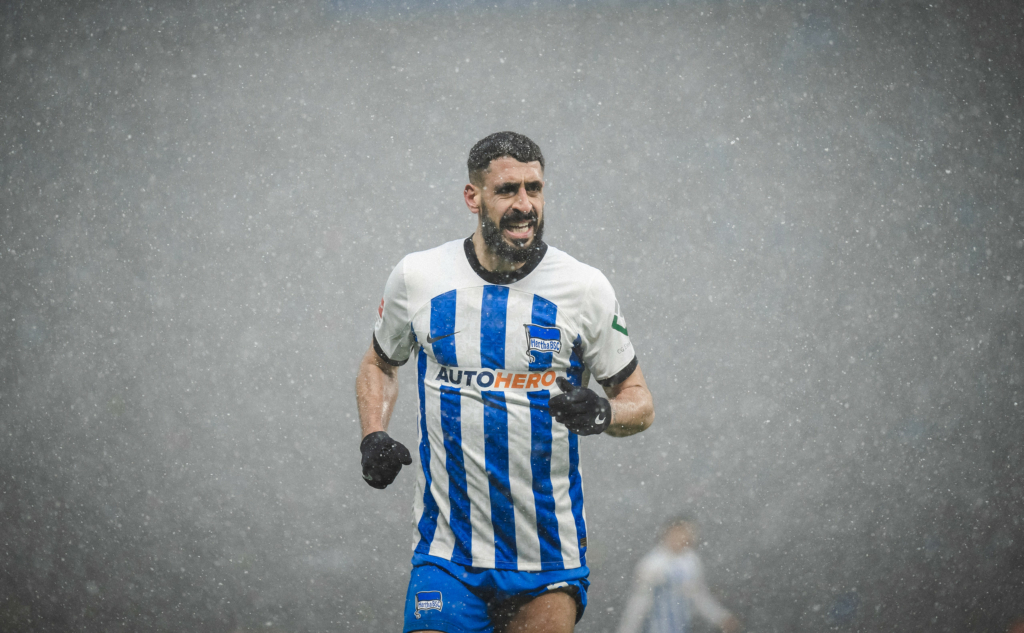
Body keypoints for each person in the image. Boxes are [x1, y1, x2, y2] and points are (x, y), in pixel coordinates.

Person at [355, 131, 655, 633]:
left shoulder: (584, 288)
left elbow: (639, 403)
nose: (524, 205)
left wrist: (603, 413)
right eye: (507, 190)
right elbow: (379, 364)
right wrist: (373, 434)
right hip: (448, 553)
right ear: (473, 197)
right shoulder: (419, 276)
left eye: (533, 189)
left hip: (547, 558)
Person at [617, 516, 740, 633]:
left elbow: (699, 597)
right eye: (677, 532)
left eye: (685, 533)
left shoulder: (691, 562)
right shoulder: (652, 564)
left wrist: (721, 617)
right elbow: (638, 603)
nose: (681, 537)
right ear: (666, 534)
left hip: (681, 628)